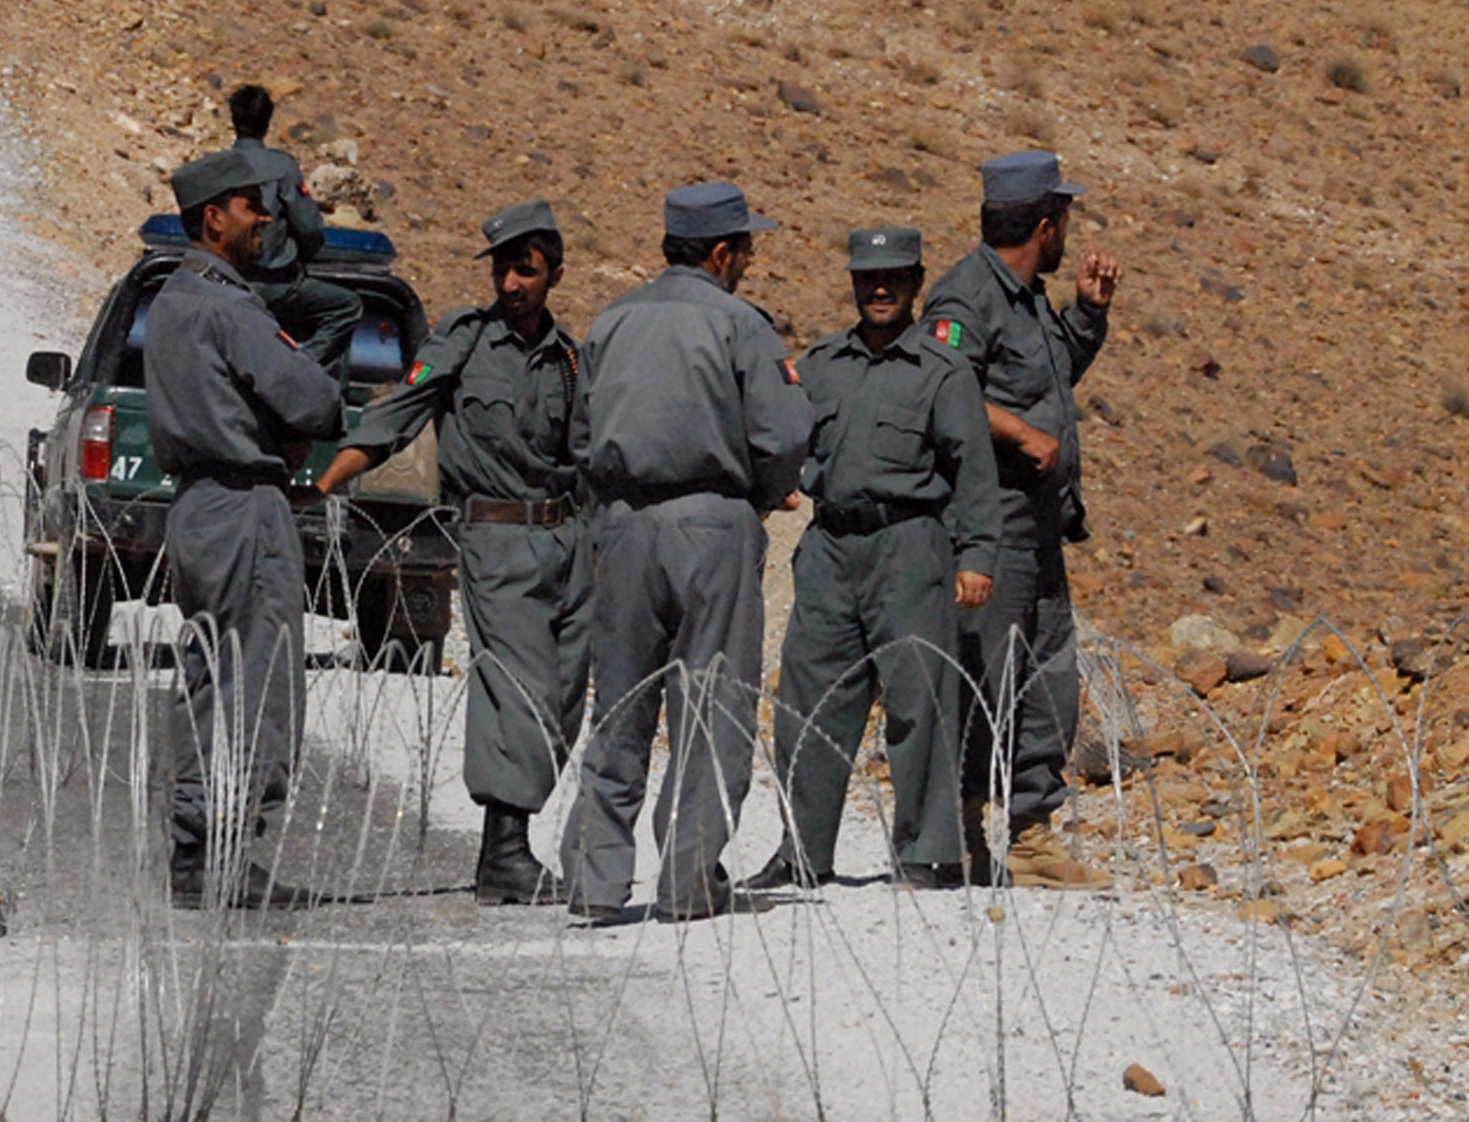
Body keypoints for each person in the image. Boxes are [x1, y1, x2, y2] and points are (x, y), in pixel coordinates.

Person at [316, 200, 590, 906]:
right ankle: (503, 849)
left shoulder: (568, 359)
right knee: (519, 685)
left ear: (554, 273)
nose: (509, 284)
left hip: (564, 538)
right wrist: (323, 484)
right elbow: (393, 419)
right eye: (502, 268)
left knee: (562, 692)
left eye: (525, 270)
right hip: (495, 538)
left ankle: (513, 831)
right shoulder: (464, 341)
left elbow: (589, 454)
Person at [562, 182, 812, 923]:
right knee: (712, 703)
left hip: (625, 522)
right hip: (713, 520)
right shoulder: (741, 325)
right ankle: (688, 878)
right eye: (747, 251)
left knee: (622, 700)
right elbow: (784, 434)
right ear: (722, 253)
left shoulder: (612, 322)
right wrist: (763, 495)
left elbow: (580, 435)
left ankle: (596, 880)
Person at [742, 228, 1000, 894]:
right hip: (829, 547)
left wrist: (977, 555)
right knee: (809, 699)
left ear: (916, 282)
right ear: (854, 283)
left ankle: (929, 852)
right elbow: (789, 439)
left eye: (893, 277)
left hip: (910, 547)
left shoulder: (942, 371)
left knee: (920, 698)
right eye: (867, 278)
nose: (879, 289)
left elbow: (973, 468)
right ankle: (802, 848)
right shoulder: (824, 363)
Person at [145, 149, 346, 910]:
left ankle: (194, 853)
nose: (263, 218)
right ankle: (232, 850)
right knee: (259, 676)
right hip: (246, 505)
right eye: (249, 206)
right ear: (212, 219)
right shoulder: (230, 307)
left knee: (205, 675)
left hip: (195, 506)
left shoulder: (170, 299)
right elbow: (313, 404)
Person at [922, 151, 1121, 889]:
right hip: (989, 521)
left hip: (1040, 524)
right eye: (1063, 217)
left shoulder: (1030, 297)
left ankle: (1033, 836)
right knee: (987, 675)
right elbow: (943, 390)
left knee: (1050, 678)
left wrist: (1088, 312)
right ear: (1044, 225)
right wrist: (1019, 433)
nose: (1068, 229)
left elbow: (1053, 372)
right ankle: (965, 826)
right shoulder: (964, 298)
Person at [227, 85, 362, 380]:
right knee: (347, 307)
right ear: (268, 121)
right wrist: (304, 255)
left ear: (233, 119)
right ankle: (296, 372)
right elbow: (308, 226)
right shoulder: (282, 166)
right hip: (276, 283)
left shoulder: (215, 167)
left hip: (225, 282)